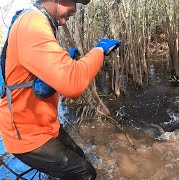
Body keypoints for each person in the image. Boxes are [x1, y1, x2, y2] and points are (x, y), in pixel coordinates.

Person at [0, 0, 120, 179]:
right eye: (71, 8)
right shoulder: (32, 23)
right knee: (85, 173)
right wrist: (99, 51)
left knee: (79, 156)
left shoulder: (34, 20)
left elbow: (34, 75)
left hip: (44, 126)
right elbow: (72, 84)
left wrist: (65, 60)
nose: (67, 19)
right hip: (26, 136)